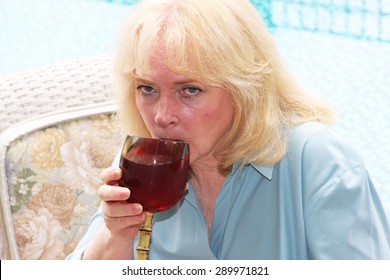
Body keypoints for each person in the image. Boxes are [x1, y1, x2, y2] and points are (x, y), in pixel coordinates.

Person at [67, 0, 390, 260]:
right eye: (147, 89)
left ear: (244, 89)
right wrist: (115, 235)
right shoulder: (147, 158)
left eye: (189, 90)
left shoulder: (317, 161)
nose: (162, 117)